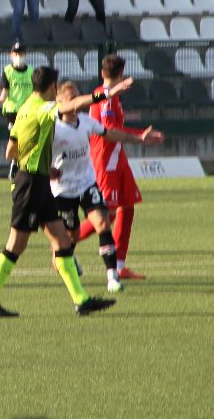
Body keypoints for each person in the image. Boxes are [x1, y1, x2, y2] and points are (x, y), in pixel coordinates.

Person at [0, 66, 132, 318]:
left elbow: (10, 151)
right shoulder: (44, 108)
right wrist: (107, 93)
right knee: (16, 245)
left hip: (39, 182)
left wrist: (41, 166)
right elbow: (71, 106)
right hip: (30, 186)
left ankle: (82, 300)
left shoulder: (25, 107)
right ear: (52, 87)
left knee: (62, 241)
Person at [51, 80, 162, 294]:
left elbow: (110, 133)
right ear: (59, 101)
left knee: (103, 221)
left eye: (78, 96)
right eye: (71, 98)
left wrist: (139, 138)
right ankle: (63, 255)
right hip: (63, 188)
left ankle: (112, 276)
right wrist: (48, 169)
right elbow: (35, 150)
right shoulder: (53, 126)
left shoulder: (85, 121)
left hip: (86, 183)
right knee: (71, 235)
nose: (77, 101)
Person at [75, 54, 165, 281]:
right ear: (121, 74)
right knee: (107, 214)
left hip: (118, 158)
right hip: (105, 161)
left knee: (128, 206)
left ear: (102, 72)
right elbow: (110, 129)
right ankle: (64, 242)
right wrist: (141, 136)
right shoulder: (105, 98)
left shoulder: (110, 96)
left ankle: (119, 265)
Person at [0, 42, 33, 179]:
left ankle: (19, 162)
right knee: (16, 136)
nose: (19, 56)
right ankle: (15, 162)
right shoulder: (8, 71)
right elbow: (5, 90)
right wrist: (1, 99)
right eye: (16, 54)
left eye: (21, 54)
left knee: (26, 137)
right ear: (11, 55)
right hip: (13, 110)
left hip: (27, 109)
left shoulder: (31, 71)